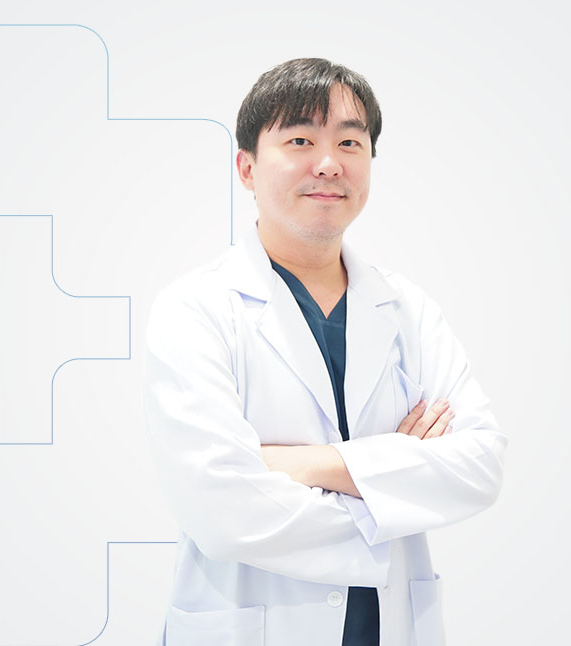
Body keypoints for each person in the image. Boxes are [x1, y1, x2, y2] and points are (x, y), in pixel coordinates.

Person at [142, 57, 507, 646]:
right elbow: (222, 510)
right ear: (246, 167)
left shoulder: (407, 308)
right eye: (300, 140)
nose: (330, 163)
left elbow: (480, 466)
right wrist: (397, 479)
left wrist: (296, 464)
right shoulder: (195, 308)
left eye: (349, 142)